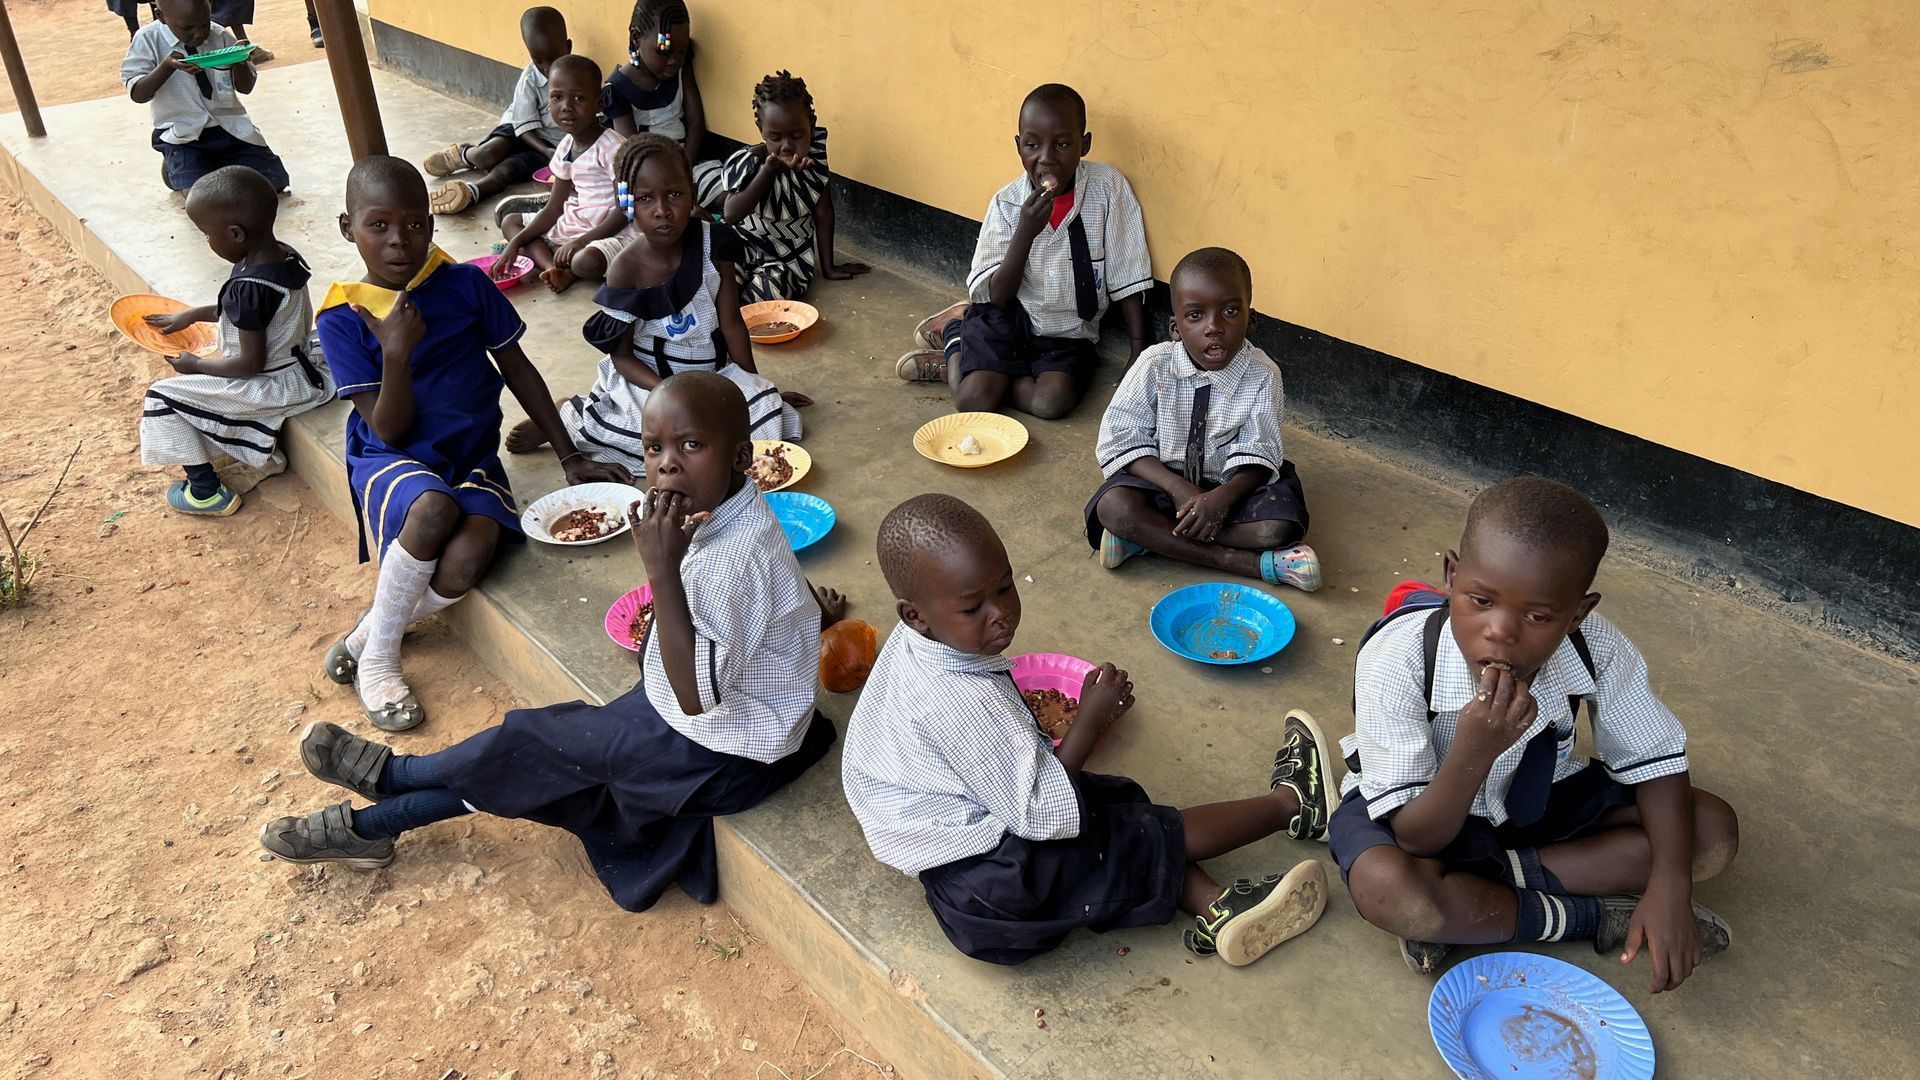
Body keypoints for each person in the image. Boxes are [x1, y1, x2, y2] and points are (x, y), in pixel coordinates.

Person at [261, 373, 848, 913]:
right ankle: (383, 811)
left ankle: (392, 791)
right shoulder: (726, 513)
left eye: (691, 446)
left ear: (743, 457)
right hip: (713, 711)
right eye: (653, 449)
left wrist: (661, 571)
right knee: (545, 756)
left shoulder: (735, 556)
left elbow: (696, 695)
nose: (666, 467)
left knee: (534, 746)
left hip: (722, 746)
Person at [842, 493, 1335, 965]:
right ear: (916, 614)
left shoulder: (913, 647)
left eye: (1006, 587)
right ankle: (1297, 803)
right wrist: (1090, 718)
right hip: (997, 889)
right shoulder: (959, 701)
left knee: (1118, 805)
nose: (1002, 613)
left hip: (962, 872)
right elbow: (1040, 815)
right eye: (974, 608)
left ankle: (1218, 909)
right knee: (1131, 830)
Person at [1330, 476, 1740, 992]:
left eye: (1538, 615)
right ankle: (1591, 917)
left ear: (1577, 614)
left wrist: (1671, 887)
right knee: (1391, 891)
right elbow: (1415, 834)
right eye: (1480, 600)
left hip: (1536, 804)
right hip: (1423, 815)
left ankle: (1482, 901)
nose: (1501, 630)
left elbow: (1656, 761)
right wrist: (1474, 749)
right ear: (1452, 576)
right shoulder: (1399, 658)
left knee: (1709, 831)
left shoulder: (1598, 647)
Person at [313, 156, 625, 732]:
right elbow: (387, 430)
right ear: (346, 227)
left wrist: (569, 454)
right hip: (394, 458)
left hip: (469, 458)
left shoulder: (465, 285)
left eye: (414, 224)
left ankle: (368, 632)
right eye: (377, 225)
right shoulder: (342, 315)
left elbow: (518, 368)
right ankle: (380, 662)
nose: (398, 241)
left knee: (465, 562)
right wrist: (397, 352)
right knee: (434, 509)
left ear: (432, 225)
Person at [506, 134, 807, 469]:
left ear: (692, 192)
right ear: (627, 202)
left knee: (765, 426)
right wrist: (670, 392)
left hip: (713, 375)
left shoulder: (714, 243)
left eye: (675, 195)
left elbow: (732, 325)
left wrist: (754, 385)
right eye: (646, 198)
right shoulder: (626, 270)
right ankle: (574, 417)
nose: (663, 210)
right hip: (651, 385)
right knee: (667, 445)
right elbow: (622, 357)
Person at [896, 83, 1149, 420]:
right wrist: (1025, 233)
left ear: (1084, 144)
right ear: (1018, 147)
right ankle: (956, 336)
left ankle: (988, 371)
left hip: (1068, 333)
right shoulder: (1007, 202)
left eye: (1061, 144)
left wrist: (1137, 348)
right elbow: (996, 297)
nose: (1046, 158)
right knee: (972, 402)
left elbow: (1127, 268)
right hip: (1007, 317)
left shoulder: (1107, 188)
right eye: (1032, 145)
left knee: (1050, 404)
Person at [1086, 247, 1321, 592]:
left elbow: (1261, 451)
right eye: (1195, 315)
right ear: (1175, 327)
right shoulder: (1154, 364)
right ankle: (1251, 564)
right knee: (1115, 507)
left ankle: (1147, 538)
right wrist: (1178, 488)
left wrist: (1220, 500)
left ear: (1251, 319)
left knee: (1275, 528)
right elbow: (1120, 437)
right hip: (1164, 483)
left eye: (1229, 311)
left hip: (1233, 489)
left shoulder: (1263, 374)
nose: (1214, 327)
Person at [138, 166, 330, 516]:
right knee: (201, 388)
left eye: (206, 235)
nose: (208, 243)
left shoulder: (249, 286)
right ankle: (260, 458)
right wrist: (194, 314)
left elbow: (248, 365)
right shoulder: (282, 255)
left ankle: (206, 493)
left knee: (162, 398)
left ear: (236, 234)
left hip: (271, 384)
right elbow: (247, 312)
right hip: (301, 370)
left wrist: (194, 365)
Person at [696, 70, 868, 302]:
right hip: (743, 242)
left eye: (796, 135)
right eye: (775, 137)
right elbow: (732, 213)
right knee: (719, 272)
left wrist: (828, 267)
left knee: (774, 291)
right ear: (761, 130)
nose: (786, 146)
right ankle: (725, 312)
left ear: (812, 124)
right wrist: (769, 171)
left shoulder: (814, 159)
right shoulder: (753, 161)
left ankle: (742, 309)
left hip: (788, 257)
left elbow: (823, 211)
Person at [492, 54, 634, 293]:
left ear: (599, 104)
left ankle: (567, 266)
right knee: (511, 222)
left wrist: (582, 241)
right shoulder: (566, 147)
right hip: (577, 220)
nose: (566, 107)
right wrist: (515, 243)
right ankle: (553, 268)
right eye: (557, 97)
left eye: (578, 98)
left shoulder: (612, 149)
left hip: (610, 230)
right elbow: (555, 208)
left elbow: (625, 211)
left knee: (586, 261)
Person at [121, 0, 289, 194]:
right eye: (187, 28)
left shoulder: (220, 35)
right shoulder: (148, 39)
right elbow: (138, 94)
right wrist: (166, 67)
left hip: (229, 129)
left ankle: (213, 166)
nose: (199, 34)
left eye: (204, 24)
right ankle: (174, 167)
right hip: (182, 137)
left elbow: (245, 87)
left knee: (273, 184)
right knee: (201, 198)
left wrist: (239, 61)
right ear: (161, 16)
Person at [423, 7, 569, 216]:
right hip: (522, 130)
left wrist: (552, 151)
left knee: (508, 170)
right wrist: (546, 151)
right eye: (538, 60)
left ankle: (471, 192)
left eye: (553, 58)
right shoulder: (530, 79)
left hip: (551, 145)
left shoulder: (578, 76)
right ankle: (464, 154)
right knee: (488, 155)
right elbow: (523, 127)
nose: (546, 67)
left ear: (568, 47)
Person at [601, 0, 705, 173]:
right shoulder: (618, 89)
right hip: (646, 173)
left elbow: (696, 122)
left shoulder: (681, 67)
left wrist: (685, 168)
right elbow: (632, 150)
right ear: (636, 38)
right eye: (663, 51)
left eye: (681, 51)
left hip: (686, 163)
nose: (674, 60)